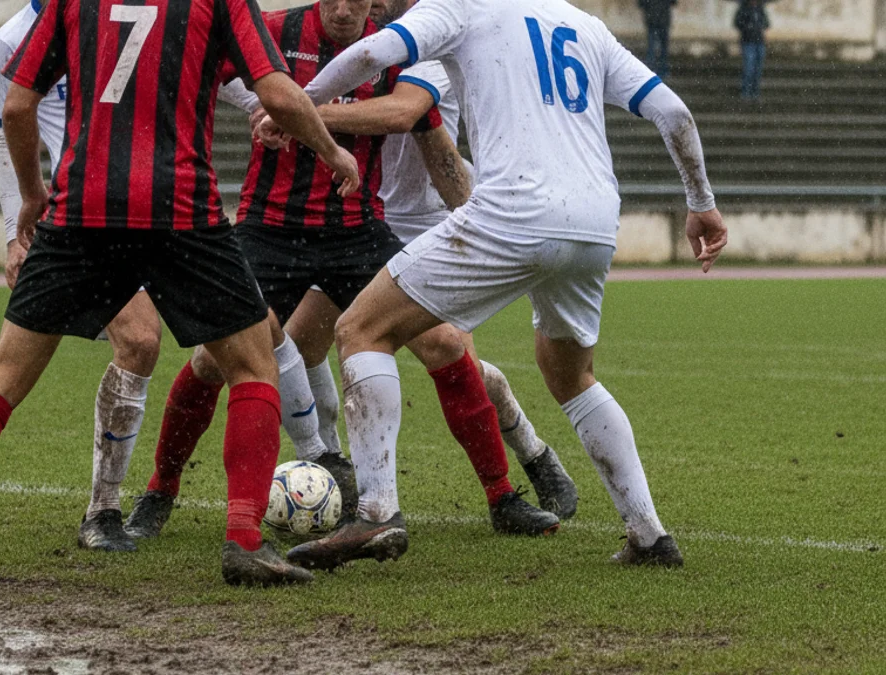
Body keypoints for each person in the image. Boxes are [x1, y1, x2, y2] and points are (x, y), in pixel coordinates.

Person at [0, 0, 361, 589]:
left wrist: (32, 197)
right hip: (180, 210)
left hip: (81, 210)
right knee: (253, 364)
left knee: (2, 373)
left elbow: (17, 105)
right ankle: (244, 542)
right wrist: (333, 151)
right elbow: (276, 94)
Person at [289, 0, 728, 569]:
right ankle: (649, 534)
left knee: (361, 329)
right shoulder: (584, 25)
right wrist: (702, 205)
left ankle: (375, 514)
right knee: (570, 374)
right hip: (594, 223)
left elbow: (374, 53)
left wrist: (302, 106)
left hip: (513, 210)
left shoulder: (462, 7)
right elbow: (674, 113)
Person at [123, 0, 562, 555]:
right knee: (216, 358)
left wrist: (299, 113)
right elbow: (197, 77)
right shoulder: (276, 29)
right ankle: (160, 490)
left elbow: (413, 122)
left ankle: (502, 497)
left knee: (444, 340)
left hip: (358, 229)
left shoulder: (398, 46)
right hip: (270, 228)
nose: (343, 8)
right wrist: (248, 115)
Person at [0, 0, 164, 554]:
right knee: (139, 341)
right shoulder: (9, 42)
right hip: (78, 218)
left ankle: (323, 458)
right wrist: (15, 232)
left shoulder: (124, 14)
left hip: (153, 204)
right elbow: (6, 134)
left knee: (245, 339)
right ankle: (104, 509)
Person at [734, 0, 770, 101]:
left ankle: (755, 92)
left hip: (759, 41)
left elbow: (767, 23)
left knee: (758, 68)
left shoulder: (760, 9)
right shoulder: (743, 9)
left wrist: (759, 26)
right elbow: (737, 23)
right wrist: (748, 26)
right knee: (749, 68)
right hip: (748, 41)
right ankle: (746, 92)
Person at [638, 0, 675, 77]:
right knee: (663, 47)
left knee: (651, 46)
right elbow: (673, 2)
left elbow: (641, 3)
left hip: (651, 17)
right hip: (663, 17)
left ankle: (651, 70)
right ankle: (663, 70)